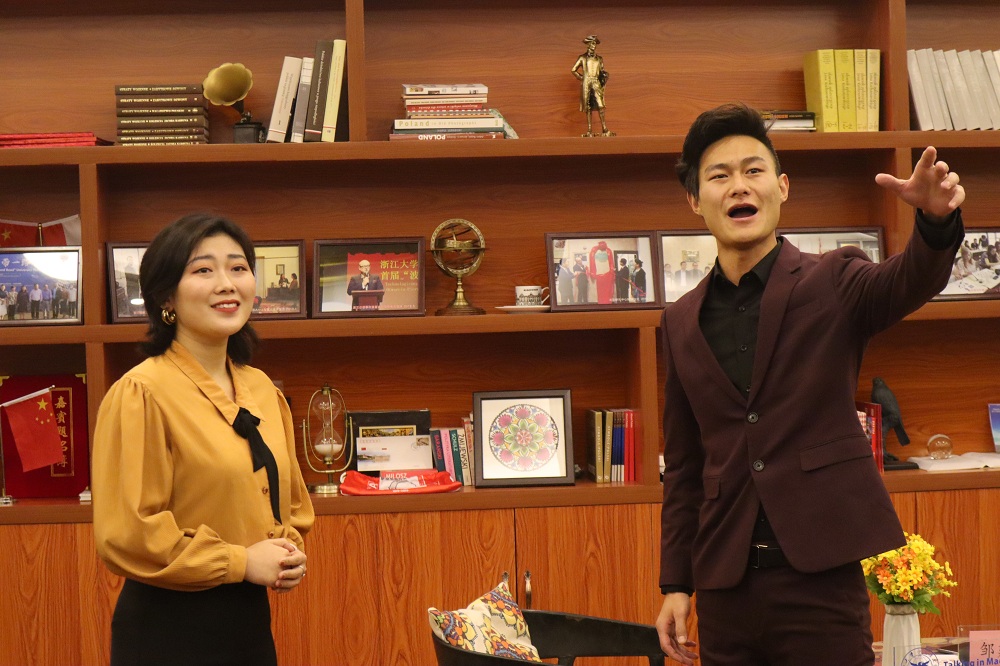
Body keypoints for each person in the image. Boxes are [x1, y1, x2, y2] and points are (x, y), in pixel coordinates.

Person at [655, 103, 964, 666]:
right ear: (695, 201)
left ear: (782, 187)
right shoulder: (679, 322)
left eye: (753, 170)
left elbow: (909, 279)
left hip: (820, 577)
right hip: (725, 587)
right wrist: (676, 583)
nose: (738, 186)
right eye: (719, 176)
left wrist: (935, 223)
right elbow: (683, 465)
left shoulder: (833, 280)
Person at [92, 213, 315, 666]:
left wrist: (288, 549)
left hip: (249, 623)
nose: (226, 284)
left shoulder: (262, 389)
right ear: (166, 296)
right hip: (167, 629)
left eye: (238, 267)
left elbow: (288, 501)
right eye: (203, 270)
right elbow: (128, 533)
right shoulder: (142, 393)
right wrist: (241, 562)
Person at [570, 35, 615, 138]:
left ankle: (604, 129)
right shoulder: (582, 58)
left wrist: (605, 75)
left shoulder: (599, 59)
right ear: (588, 44)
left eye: (595, 43)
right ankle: (589, 130)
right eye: (593, 43)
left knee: (601, 105)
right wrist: (582, 78)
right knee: (588, 106)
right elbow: (573, 70)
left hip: (596, 82)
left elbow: (601, 71)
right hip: (587, 83)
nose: (594, 45)